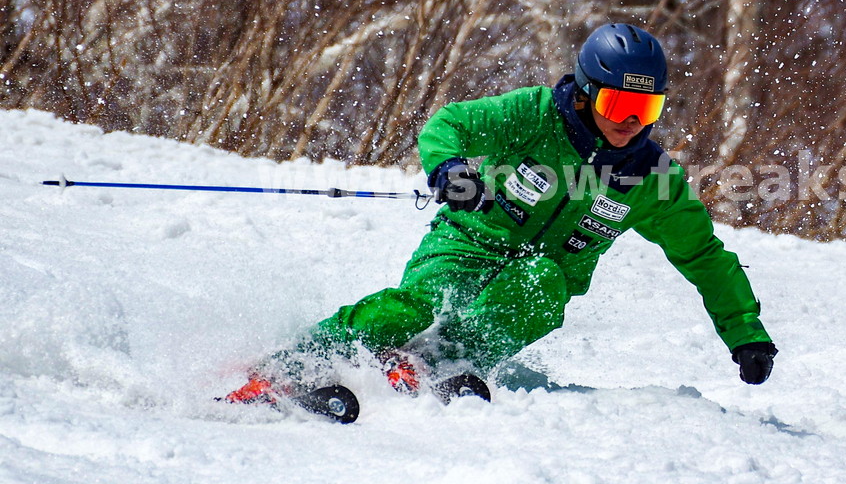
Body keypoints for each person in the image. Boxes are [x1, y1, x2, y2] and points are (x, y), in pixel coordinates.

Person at [226, 23, 776, 405]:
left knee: (544, 283)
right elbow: (450, 124)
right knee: (413, 308)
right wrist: (450, 170)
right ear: (586, 94)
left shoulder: (650, 178)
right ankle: (290, 366)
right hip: (466, 244)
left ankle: (438, 361)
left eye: (646, 108)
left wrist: (744, 333)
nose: (631, 121)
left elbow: (703, 255)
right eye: (617, 106)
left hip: (534, 272)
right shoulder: (535, 115)